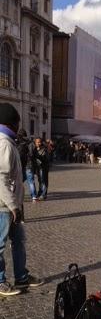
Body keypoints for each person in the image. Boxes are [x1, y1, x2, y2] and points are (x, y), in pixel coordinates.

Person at [0, 103, 44, 296]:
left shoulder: (9, 142)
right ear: (11, 123)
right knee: (0, 244)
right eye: (17, 123)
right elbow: (1, 179)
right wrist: (12, 206)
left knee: (18, 241)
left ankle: (21, 277)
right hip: (3, 205)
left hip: (12, 204)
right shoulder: (3, 143)